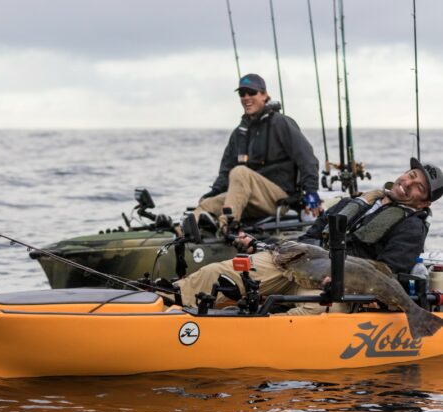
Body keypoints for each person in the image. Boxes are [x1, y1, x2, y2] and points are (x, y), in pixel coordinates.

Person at [175, 158, 443, 314]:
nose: (407, 183)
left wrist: (341, 279)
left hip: (335, 287)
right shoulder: (357, 201)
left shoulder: (412, 227)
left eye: (418, 187)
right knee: (217, 273)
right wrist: (272, 247)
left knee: (311, 313)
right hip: (297, 265)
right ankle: (170, 302)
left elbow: (387, 272)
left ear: (424, 202)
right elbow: (312, 234)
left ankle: (248, 338)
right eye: (410, 175)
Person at [193, 73, 320, 235]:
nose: (246, 97)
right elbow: (225, 172)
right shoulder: (238, 133)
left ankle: (227, 228)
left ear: (264, 95)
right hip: (248, 198)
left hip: (278, 199)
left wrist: (311, 191)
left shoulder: (280, 123)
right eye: (242, 93)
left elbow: (307, 158)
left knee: (240, 172)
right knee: (206, 204)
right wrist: (213, 193)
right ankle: (183, 236)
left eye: (251, 92)